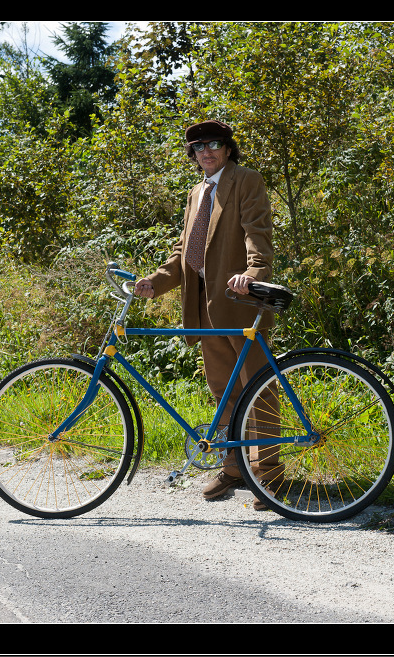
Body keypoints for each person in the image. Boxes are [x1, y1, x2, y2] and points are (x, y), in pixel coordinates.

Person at [134, 120, 281, 509]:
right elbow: (185, 251)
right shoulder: (197, 192)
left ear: (229, 148)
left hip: (239, 302)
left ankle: (268, 475)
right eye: (198, 147)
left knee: (258, 389)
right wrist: (154, 281)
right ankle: (234, 466)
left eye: (214, 144)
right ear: (193, 155)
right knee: (224, 391)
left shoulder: (245, 180)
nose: (206, 151)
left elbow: (257, 232)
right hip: (203, 308)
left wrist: (254, 274)